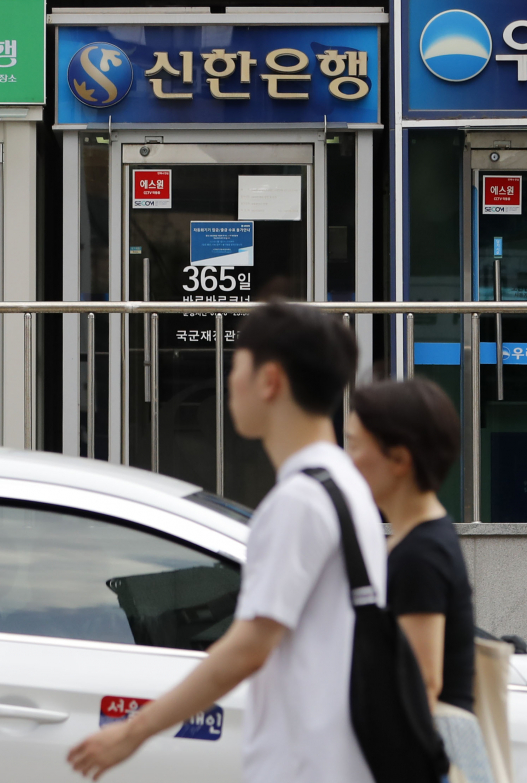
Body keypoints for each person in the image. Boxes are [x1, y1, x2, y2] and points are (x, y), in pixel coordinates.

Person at [67, 302, 385, 783]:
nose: (227, 381)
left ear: (269, 381)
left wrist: (133, 732)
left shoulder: (299, 501)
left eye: (236, 365)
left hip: (305, 765)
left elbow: (248, 647)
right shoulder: (346, 486)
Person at [344, 378, 492, 783]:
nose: (349, 459)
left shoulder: (421, 554)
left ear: (399, 459)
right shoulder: (417, 539)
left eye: (356, 445)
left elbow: (422, 683)